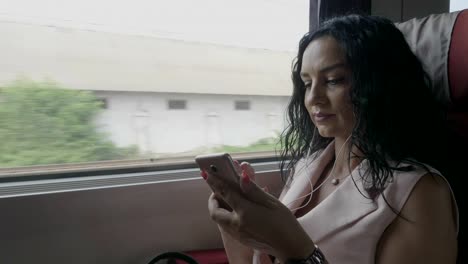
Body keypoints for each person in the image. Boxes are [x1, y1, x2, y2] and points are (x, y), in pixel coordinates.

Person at [201, 14, 459, 264]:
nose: (313, 98)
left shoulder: (422, 193)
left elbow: (291, 249)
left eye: (333, 80)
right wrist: (234, 221)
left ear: (379, 84)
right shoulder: (308, 166)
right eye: (307, 83)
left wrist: (298, 252)